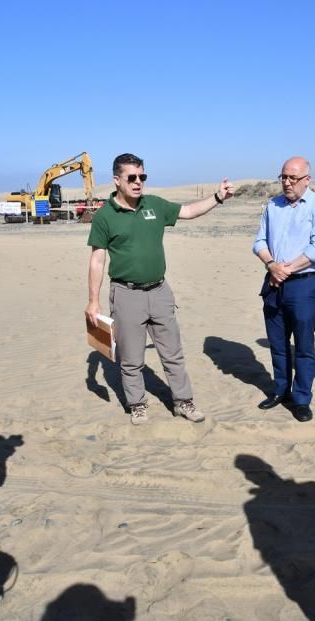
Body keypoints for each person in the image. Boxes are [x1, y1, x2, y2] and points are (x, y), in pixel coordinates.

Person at [85, 153, 233, 425]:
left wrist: (217, 197)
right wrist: (93, 300)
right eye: (132, 177)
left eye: (143, 176)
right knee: (131, 357)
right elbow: (97, 259)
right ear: (117, 180)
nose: (138, 182)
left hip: (160, 292)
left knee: (172, 353)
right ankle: (137, 404)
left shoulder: (154, 205)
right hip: (126, 294)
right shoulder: (105, 216)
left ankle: (183, 402)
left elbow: (187, 211)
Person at [253, 157, 315, 422]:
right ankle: (280, 390)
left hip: (303, 285)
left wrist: (285, 269)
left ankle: (301, 398)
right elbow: (259, 241)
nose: (287, 183)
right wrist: (272, 264)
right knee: (277, 344)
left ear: (307, 180)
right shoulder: (273, 206)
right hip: (274, 283)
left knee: (303, 344)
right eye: (283, 177)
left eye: (293, 178)